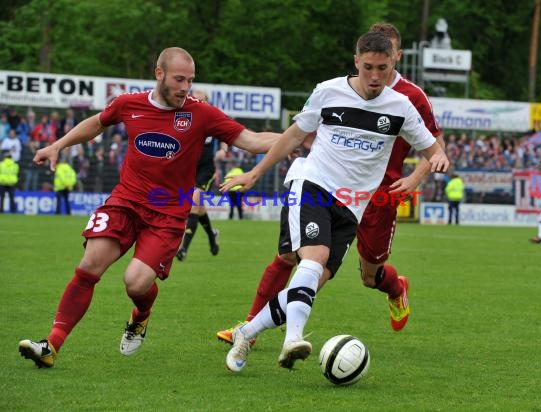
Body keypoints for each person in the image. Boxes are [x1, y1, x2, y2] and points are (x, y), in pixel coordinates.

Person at [17, 46, 280, 369]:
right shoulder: (130, 104)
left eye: (190, 80)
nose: (185, 87)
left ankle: (141, 315)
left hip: (168, 213)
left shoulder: (201, 114)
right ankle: (51, 346)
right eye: (179, 79)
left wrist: (299, 137)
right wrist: (57, 145)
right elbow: (97, 123)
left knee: (135, 283)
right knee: (89, 266)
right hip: (125, 201)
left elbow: (251, 141)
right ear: (159, 74)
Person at [222, 31, 449, 373]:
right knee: (312, 260)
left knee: (311, 283)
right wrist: (254, 174)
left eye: (382, 69)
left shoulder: (402, 105)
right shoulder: (328, 91)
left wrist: (431, 165)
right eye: (368, 67)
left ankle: (247, 332)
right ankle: (292, 340)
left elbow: (433, 148)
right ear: (356, 61)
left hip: (353, 206)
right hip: (313, 184)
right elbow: (294, 136)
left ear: (394, 63)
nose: (375, 76)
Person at [176, 90, 225, 262]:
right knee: (200, 210)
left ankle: (183, 249)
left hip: (206, 169)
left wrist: (223, 150)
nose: (197, 102)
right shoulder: (184, 117)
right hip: (188, 170)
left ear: (207, 102)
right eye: (194, 99)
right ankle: (212, 236)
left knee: (193, 205)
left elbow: (225, 134)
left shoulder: (212, 117)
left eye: (201, 100)